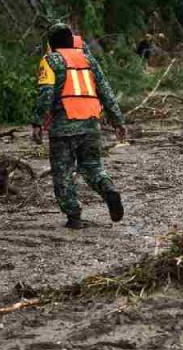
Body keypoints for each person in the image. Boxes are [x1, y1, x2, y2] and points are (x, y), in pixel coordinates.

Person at [32, 23, 127, 229]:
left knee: (63, 172)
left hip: (63, 127)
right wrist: (118, 121)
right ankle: (108, 188)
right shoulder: (88, 60)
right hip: (91, 124)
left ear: (51, 43)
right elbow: (106, 92)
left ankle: (74, 216)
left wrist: (37, 122)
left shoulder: (50, 61)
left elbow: (46, 94)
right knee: (93, 167)